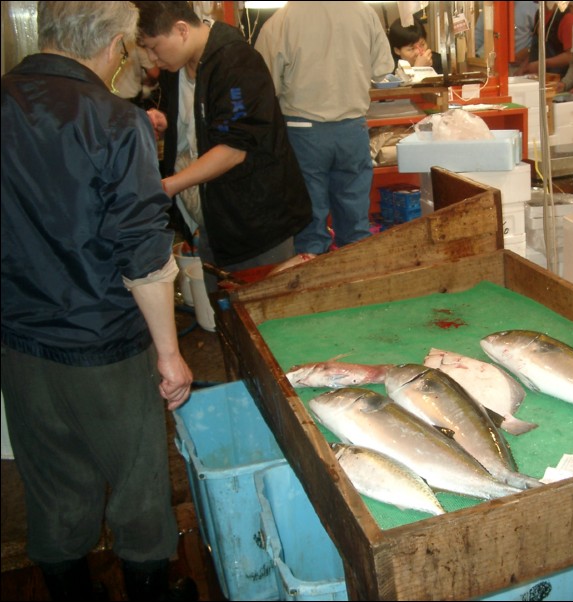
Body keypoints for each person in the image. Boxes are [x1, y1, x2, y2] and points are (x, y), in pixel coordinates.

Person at [0, 2, 196, 601]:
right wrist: (170, 355)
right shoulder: (113, 120)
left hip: (20, 342)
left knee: (53, 487)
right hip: (104, 345)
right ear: (115, 46)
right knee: (138, 491)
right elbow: (144, 255)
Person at [135, 1, 312, 292]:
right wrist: (166, 121)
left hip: (255, 220)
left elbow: (233, 149)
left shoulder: (235, 62)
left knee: (262, 304)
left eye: (154, 47)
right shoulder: (177, 66)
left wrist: (169, 186)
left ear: (181, 31)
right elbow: (204, 119)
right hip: (213, 219)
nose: (153, 59)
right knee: (224, 310)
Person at [255, 2, 394, 255]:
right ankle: (359, 286)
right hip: (352, 129)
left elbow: (264, 85)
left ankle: (314, 288)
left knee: (310, 228)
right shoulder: (364, 13)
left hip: (303, 131)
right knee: (356, 228)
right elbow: (382, 69)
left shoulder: (282, 20)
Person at [517, 1, 573, 77]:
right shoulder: (539, 13)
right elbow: (537, 48)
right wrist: (523, 67)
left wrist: (542, 64)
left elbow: (571, 56)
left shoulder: (567, 17)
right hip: (539, 79)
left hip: (560, 81)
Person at [475, 1, 538, 71]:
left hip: (519, 69)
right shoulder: (489, 7)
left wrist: (528, 52)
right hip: (492, 68)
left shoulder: (530, 6)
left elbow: (540, 40)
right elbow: (478, 38)